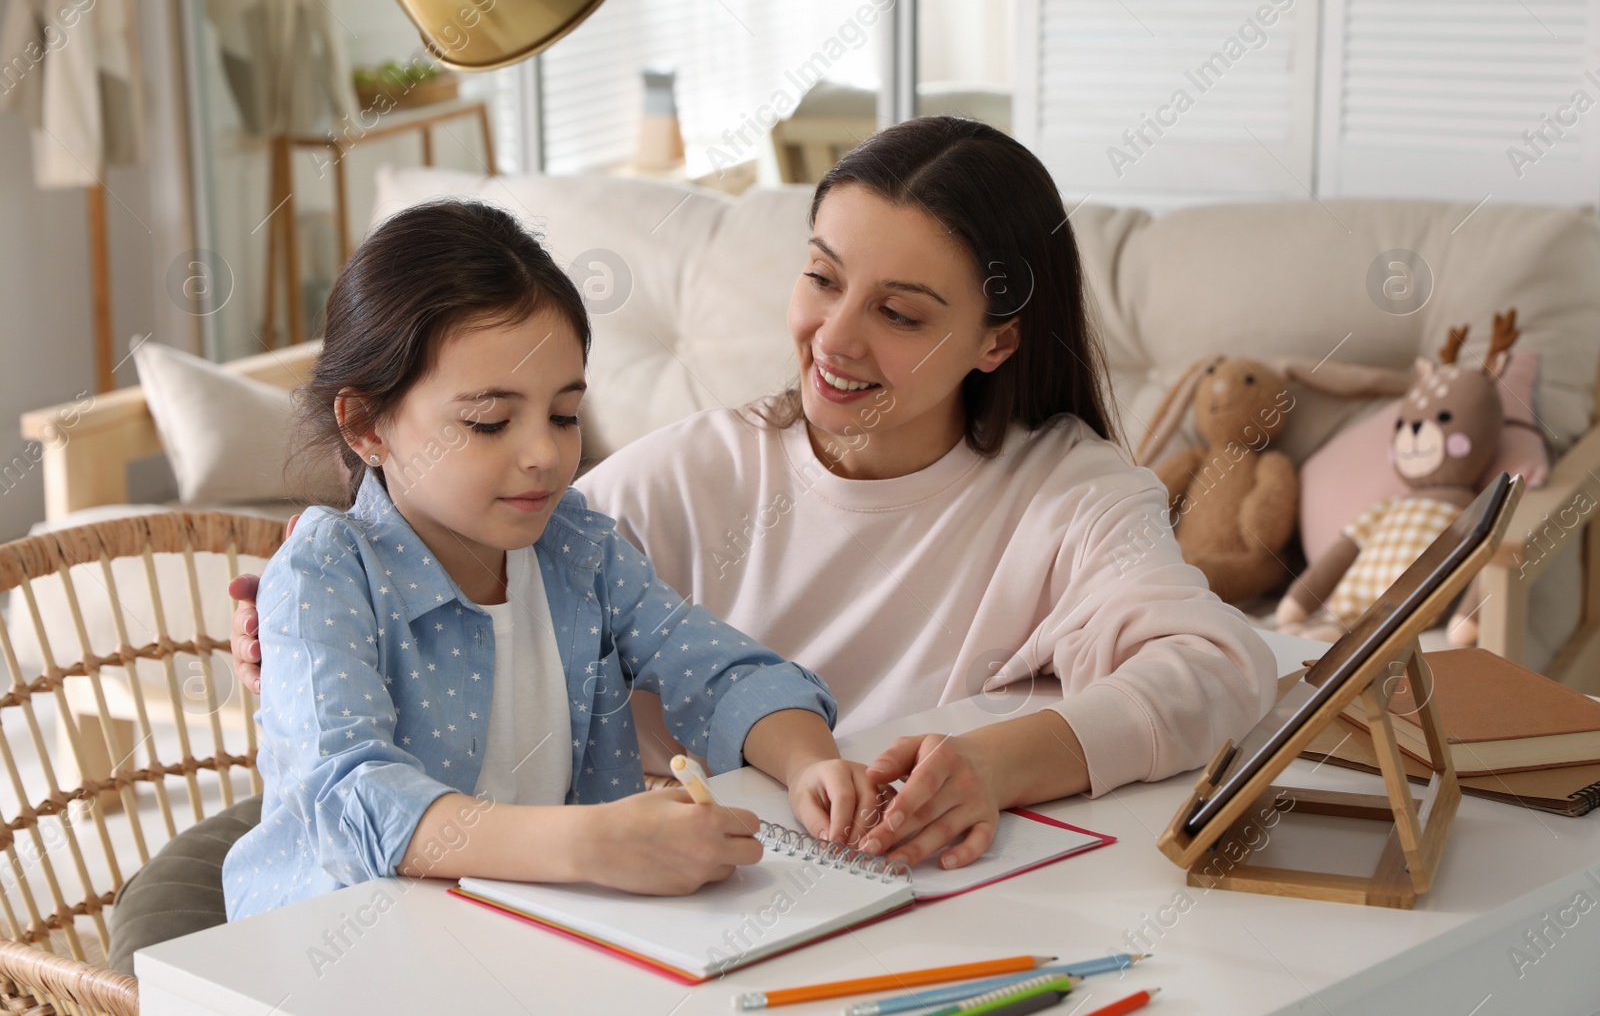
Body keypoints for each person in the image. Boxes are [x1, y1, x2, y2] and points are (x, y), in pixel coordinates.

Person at [229, 117, 1277, 874]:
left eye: (900, 313)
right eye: (822, 277)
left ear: (995, 339)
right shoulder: (667, 479)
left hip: (747, 905)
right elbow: (363, 708)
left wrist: (907, 761)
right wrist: (291, 630)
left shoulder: (1065, 494)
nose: (835, 338)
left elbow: (1221, 671)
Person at [222, 200, 870, 921]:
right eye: (489, 422)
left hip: (533, 938)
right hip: (336, 955)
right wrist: (589, 844)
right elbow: (352, 799)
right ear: (366, 424)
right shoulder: (324, 574)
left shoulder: (576, 546)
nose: (544, 454)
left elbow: (721, 669)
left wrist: (811, 761)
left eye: (564, 415)